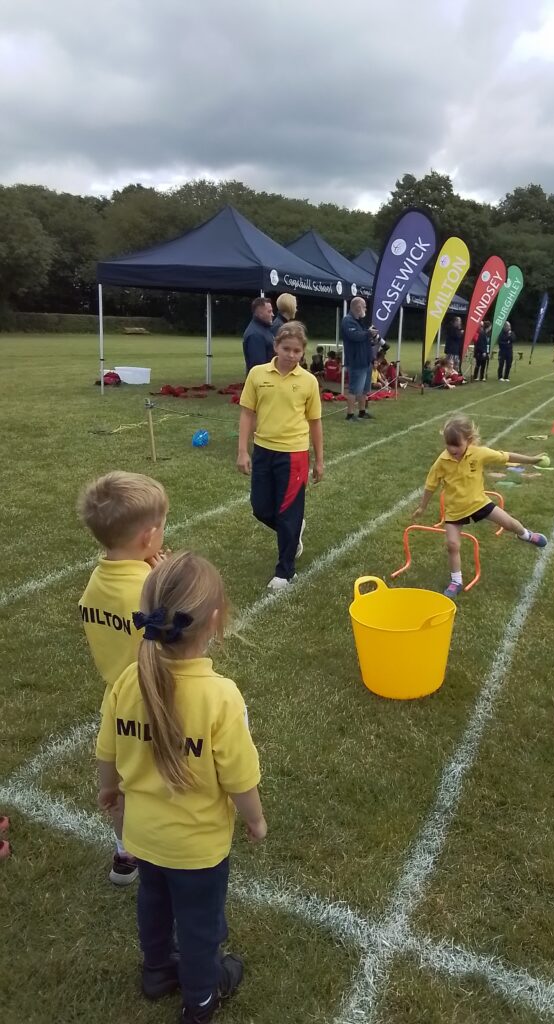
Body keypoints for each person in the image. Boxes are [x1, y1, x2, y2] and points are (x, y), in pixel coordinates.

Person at [96, 553, 267, 1020]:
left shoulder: (128, 680)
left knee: (152, 902)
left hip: (142, 837)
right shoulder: (220, 696)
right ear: (214, 621)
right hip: (197, 848)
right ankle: (201, 998)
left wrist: (106, 791)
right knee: (199, 924)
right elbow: (239, 776)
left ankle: (156, 971)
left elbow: (107, 751)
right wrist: (255, 819)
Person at [78, 471, 169, 885]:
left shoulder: (95, 582)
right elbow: (177, 647)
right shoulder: (150, 590)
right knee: (160, 782)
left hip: (115, 701)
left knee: (117, 786)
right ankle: (165, 853)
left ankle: (124, 854)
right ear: (149, 538)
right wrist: (163, 582)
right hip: (157, 703)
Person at [413, 415, 549, 599]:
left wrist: (532, 460)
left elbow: (506, 457)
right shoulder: (442, 461)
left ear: (468, 441)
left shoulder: (479, 453)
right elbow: (430, 485)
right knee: (452, 545)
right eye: (448, 445)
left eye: (457, 445)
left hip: (479, 503)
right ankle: (456, 581)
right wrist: (422, 507)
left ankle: (526, 535)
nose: (452, 449)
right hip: (455, 510)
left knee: (510, 523)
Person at [237, 322, 324, 590]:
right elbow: (247, 413)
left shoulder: (309, 381)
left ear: (303, 352)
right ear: (276, 346)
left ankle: (285, 572)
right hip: (263, 450)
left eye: (297, 350)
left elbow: (315, 422)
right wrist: (243, 450)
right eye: (286, 348)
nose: (291, 354)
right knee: (260, 508)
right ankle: (294, 531)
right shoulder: (257, 374)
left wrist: (319, 460)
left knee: (288, 512)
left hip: (295, 454)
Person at [342, 296, 379, 422]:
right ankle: (350, 414)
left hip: (365, 360)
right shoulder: (348, 321)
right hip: (356, 361)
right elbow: (355, 336)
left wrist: (373, 357)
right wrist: (368, 333)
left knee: (364, 390)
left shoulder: (360, 321)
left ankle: (362, 412)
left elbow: (366, 341)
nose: (365, 309)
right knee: (354, 389)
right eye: (364, 306)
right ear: (357, 307)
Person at [242, 298, 275, 374]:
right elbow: (258, 366)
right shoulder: (255, 335)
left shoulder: (264, 329)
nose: (272, 314)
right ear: (260, 313)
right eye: (269, 311)